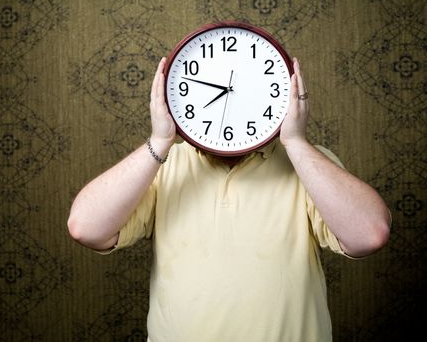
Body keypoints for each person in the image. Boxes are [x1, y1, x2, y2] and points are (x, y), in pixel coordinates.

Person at [67, 57, 391, 341]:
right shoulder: (163, 167)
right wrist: (159, 140)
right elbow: (86, 227)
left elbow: (369, 234)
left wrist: (296, 142)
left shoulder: (308, 164)